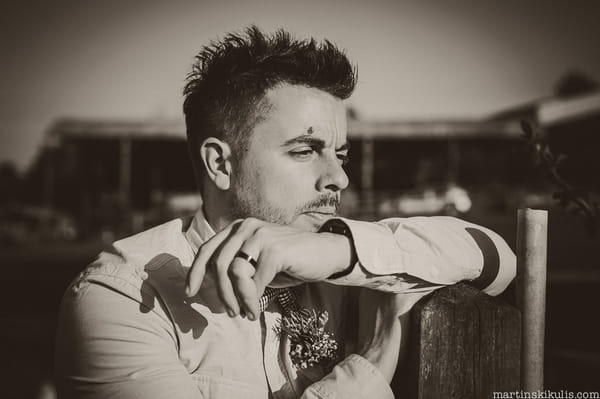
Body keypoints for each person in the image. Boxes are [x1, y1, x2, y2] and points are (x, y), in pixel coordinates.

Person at [55, 26, 516, 399]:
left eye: (341, 154)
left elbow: (498, 260)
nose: (339, 178)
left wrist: (340, 253)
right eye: (305, 150)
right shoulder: (125, 295)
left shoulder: (343, 263)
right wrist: (371, 367)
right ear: (221, 163)